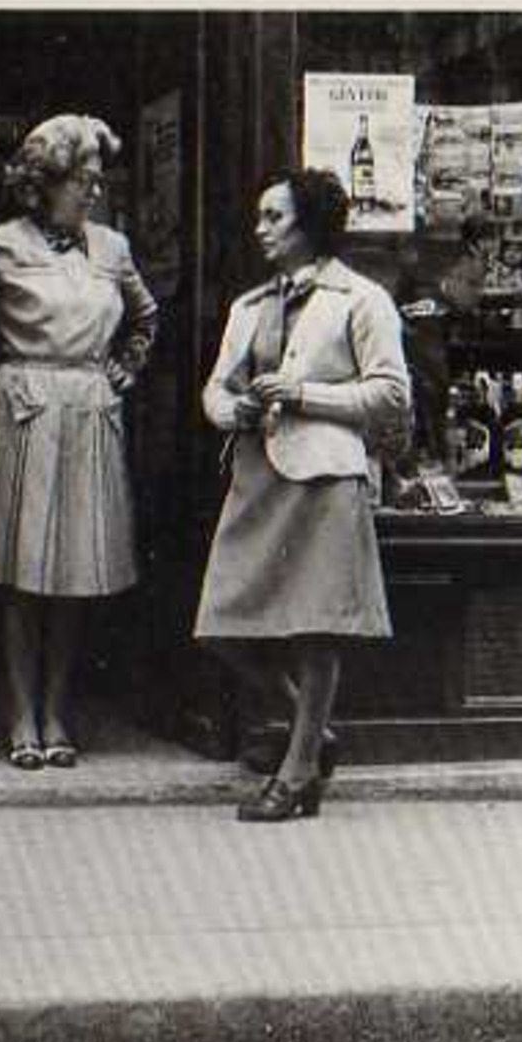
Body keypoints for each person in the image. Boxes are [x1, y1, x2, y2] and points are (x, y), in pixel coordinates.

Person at [195, 168, 410, 822]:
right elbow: (216, 387)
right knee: (221, 626)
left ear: (311, 225)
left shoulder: (362, 299)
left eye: (274, 217)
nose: (260, 229)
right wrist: (229, 411)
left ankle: (294, 775)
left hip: (324, 475)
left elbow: (391, 394)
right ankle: (311, 734)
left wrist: (303, 395)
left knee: (318, 633)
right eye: (260, 217)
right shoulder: (250, 305)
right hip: (258, 475)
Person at [0, 114, 158, 771]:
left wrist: (127, 366)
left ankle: (57, 711)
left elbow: (146, 315)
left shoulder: (112, 248)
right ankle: (21, 714)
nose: (93, 193)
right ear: (43, 184)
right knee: (23, 577)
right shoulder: (4, 242)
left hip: (89, 407)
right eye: (82, 181)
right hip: (25, 410)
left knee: (74, 574)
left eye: (99, 181)